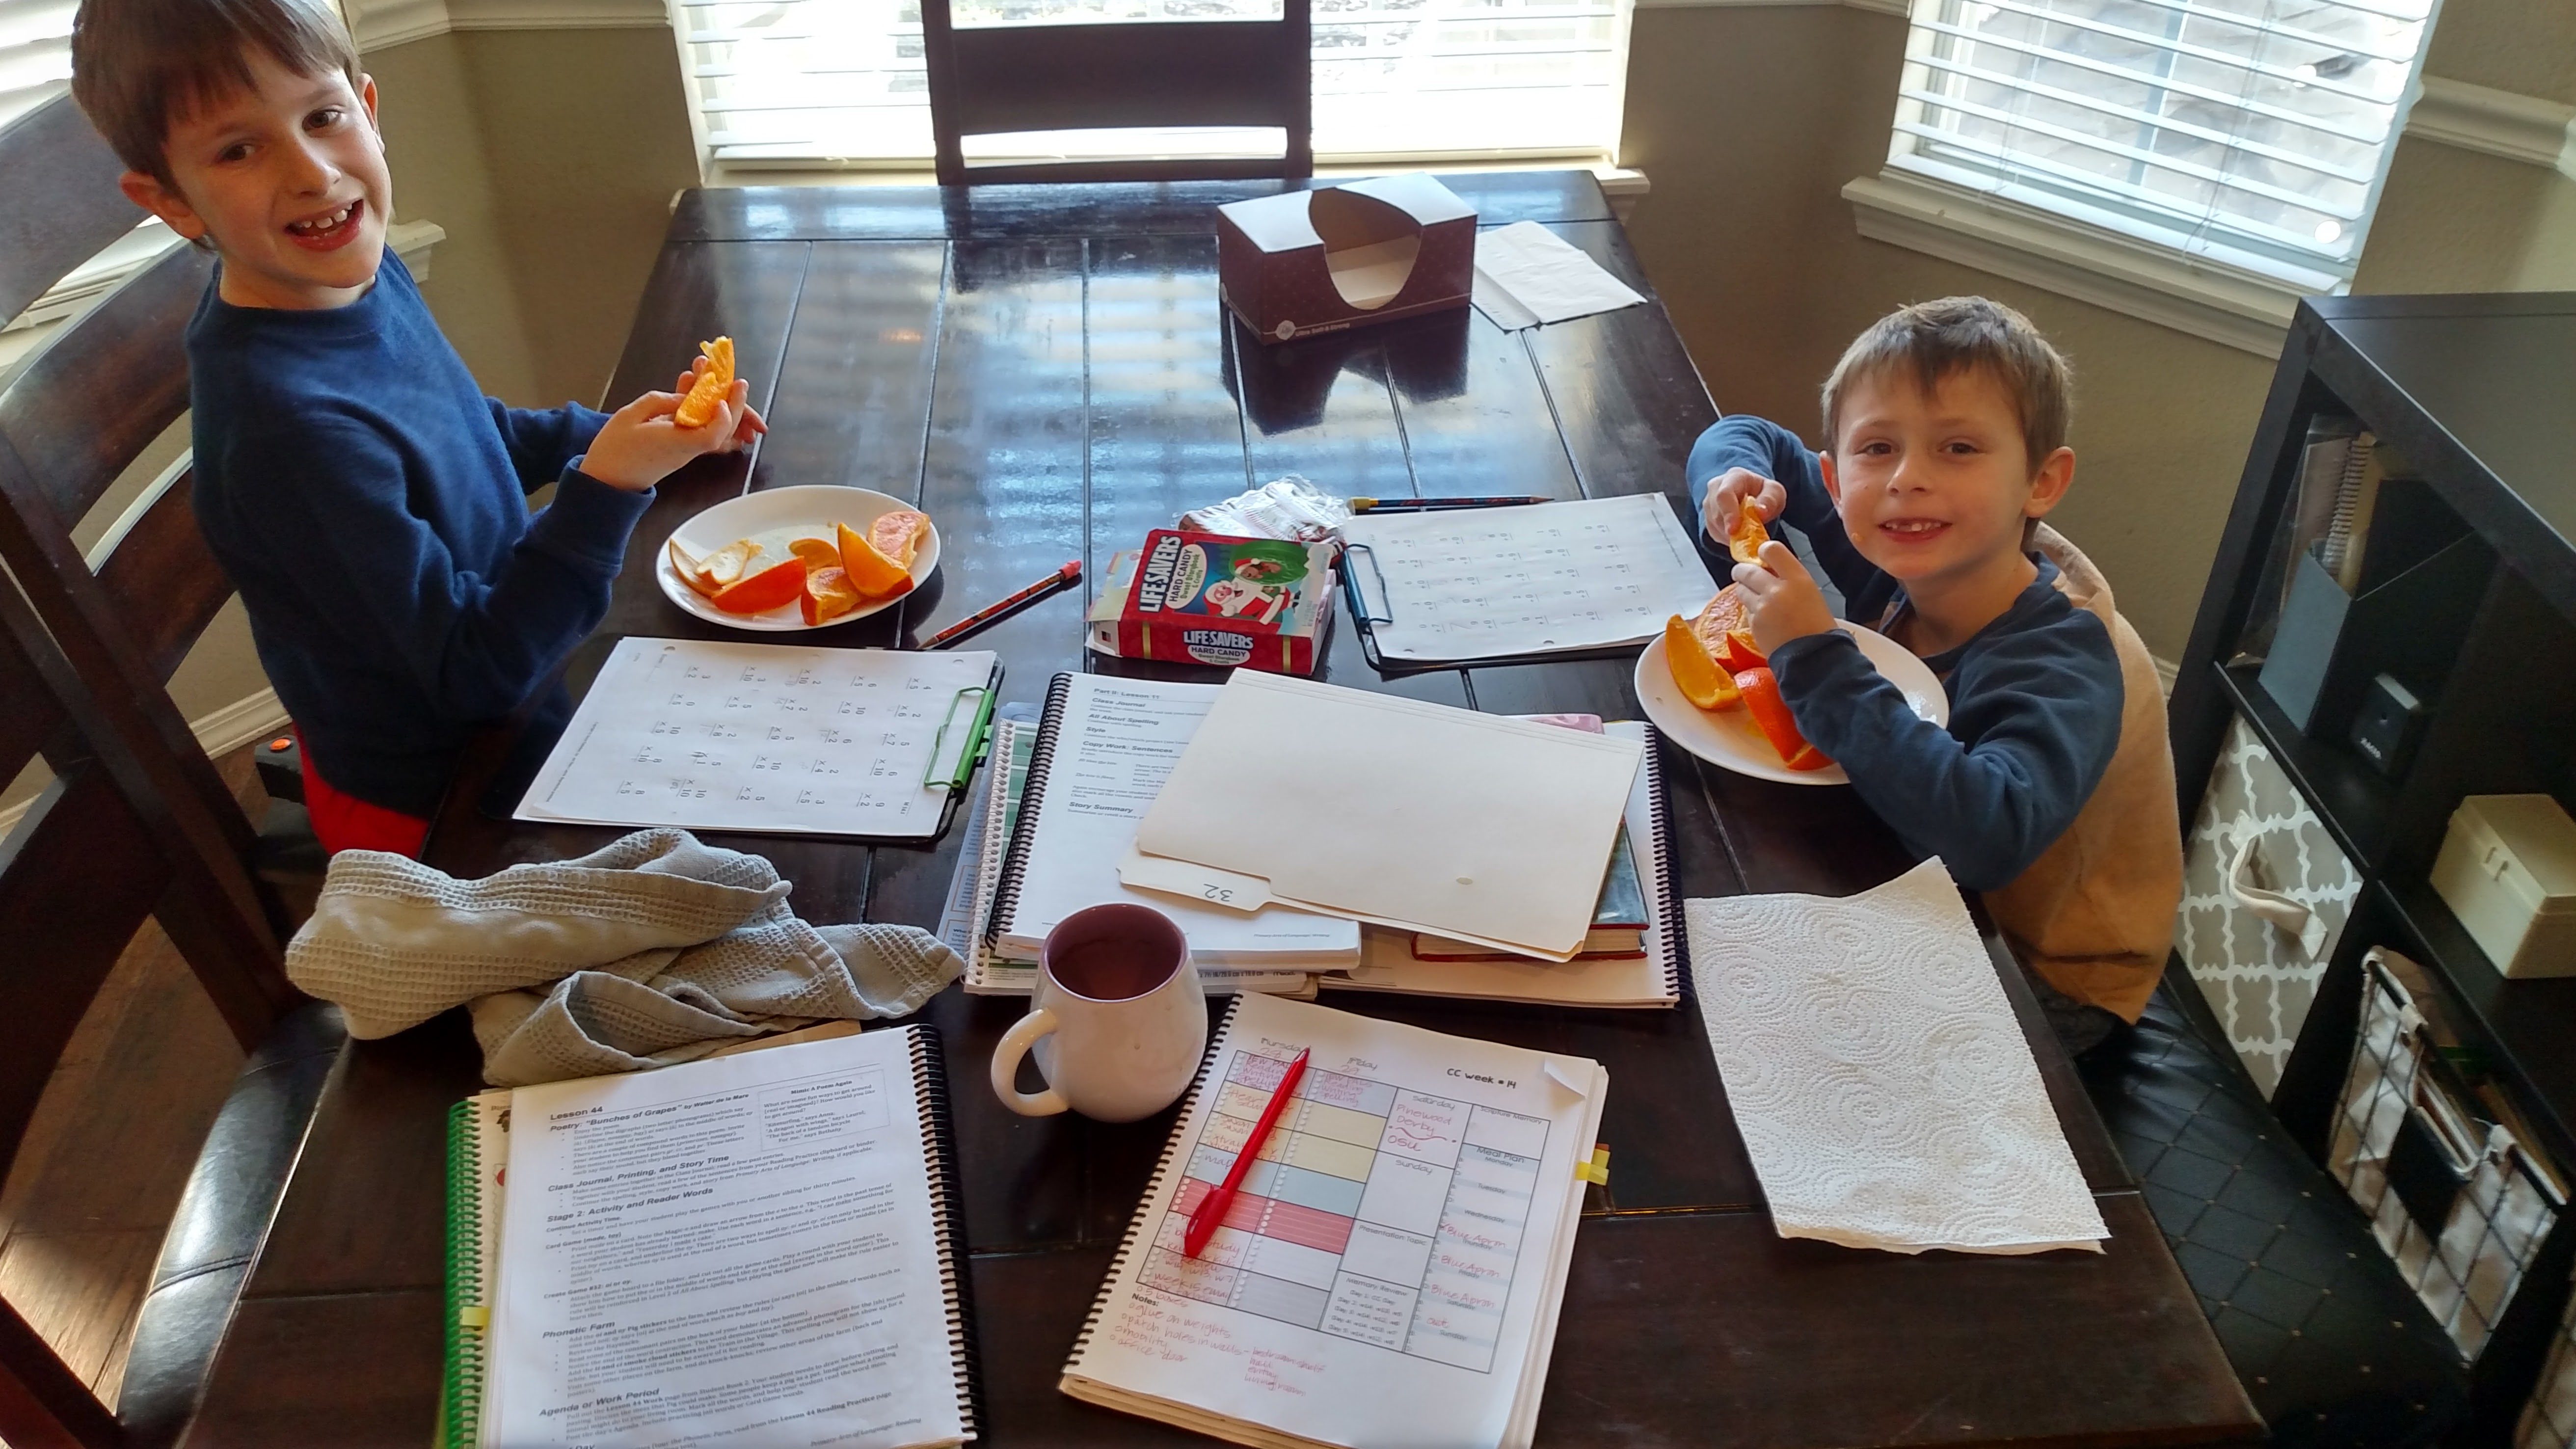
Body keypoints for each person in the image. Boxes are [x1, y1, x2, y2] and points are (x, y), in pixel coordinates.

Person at [69, 0, 761, 857]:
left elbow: (467, 435)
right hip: (443, 810)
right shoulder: (287, 430)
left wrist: (624, 435)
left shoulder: (354, 277)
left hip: (523, 682)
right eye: (238, 149)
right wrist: (608, 485)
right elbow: (473, 676)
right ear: (170, 201)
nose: (315, 173)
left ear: (368, 106)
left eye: (323, 116)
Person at [1686, 296, 2180, 1054]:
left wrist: (1814, 656)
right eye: (1877, 448)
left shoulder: (2069, 659)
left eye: (1959, 449)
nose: (1907, 479)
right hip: (1919, 875)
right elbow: (1750, 436)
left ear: (2042, 482)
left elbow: (1987, 837)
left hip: (2042, 970)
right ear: (1835, 475)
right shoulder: (1904, 554)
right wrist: (1732, 480)